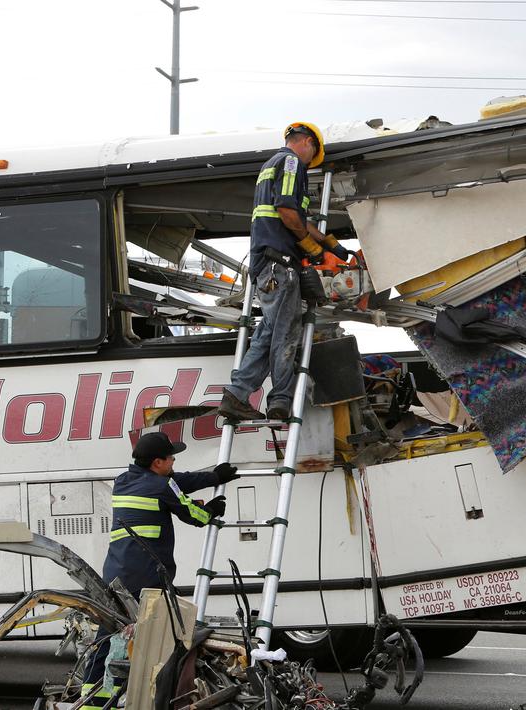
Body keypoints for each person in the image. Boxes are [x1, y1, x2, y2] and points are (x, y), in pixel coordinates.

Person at [80, 431, 239, 705]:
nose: (174, 460)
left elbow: (176, 482)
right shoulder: (161, 487)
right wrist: (212, 509)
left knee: (108, 634)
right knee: (152, 640)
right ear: (157, 462)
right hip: (147, 578)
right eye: (170, 457)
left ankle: (91, 698)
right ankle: (149, 695)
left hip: (117, 575)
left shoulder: (123, 481)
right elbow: (194, 515)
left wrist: (213, 477)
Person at [218, 121, 351, 422]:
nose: (310, 159)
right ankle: (279, 398)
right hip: (281, 265)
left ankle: (237, 395)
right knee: (286, 332)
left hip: (268, 265)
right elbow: (287, 211)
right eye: (313, 152)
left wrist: (329, 244)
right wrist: (311, 247)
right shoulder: (291, 162)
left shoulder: (271, 165)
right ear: (306, 142)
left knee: (268, 333)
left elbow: (296, 217)